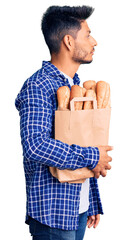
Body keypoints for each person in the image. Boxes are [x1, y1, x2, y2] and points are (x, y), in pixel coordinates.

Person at [15, 5, 113, 240]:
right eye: (88, 34)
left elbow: (81, 141)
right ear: (68, 42)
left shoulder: (75, 86)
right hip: (52, 217)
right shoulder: (37, 87)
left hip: (77, 210)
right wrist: (93, 156)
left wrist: (91, 202)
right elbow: (35, 145)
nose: (94, 42)